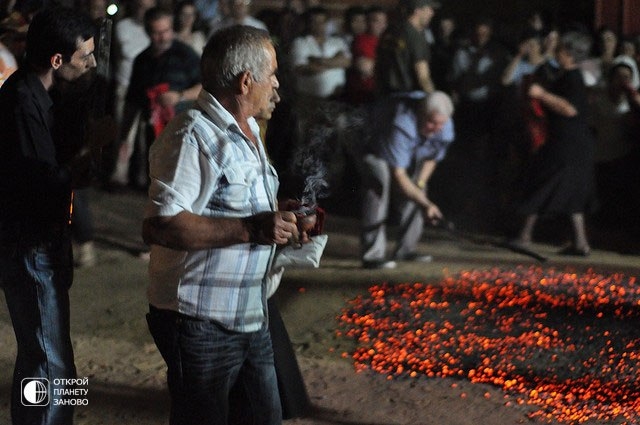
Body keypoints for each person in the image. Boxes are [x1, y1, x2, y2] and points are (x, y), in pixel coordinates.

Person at [142, 25, 297, 425]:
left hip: (249, 312)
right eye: (273, 74)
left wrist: (279, 214)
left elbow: (233, 205)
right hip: (201, 322)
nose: (277, 83)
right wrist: (252, 229)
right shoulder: (193, 134)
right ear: (246, 81)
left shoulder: (247, 133)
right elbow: (161, 226)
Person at [0, 6, 100, 424]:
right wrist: (89, 154)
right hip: (31, 247)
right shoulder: (22, 103)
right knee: (52, 366)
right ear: (57, 61)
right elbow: (42, 184)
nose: (92, 63)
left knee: (39, 356)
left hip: (35, 245)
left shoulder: (38, 96)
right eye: (85, 57)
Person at [512, 31, 596, 256]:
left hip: (567, 145)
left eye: (560, 49)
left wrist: (541, 94)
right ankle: (580, 243)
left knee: (542, 183)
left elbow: (570, 109)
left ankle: (524, 236)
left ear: (568, 54)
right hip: (573, 144)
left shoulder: (573, 79)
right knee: (572, 194)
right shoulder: (566, 76)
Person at [360, 91, 455, 269]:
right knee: (379, 183)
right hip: (373, 144)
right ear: (420, 113)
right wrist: (427, 204)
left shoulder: (445, 123)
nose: (435, 128)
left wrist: (419, 185)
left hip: (410, 151)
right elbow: (399, 176)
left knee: (419, 190)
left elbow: (432, 158)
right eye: (431, 122)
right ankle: (372, 254)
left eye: (440, 124)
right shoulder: (401, 123)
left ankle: (406, 249)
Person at [117, 6, 202, 189]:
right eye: (156, 33)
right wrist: (123, 137)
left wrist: (179, 96)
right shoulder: (142, 60)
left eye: (166, 31)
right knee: (155, 182)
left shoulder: (186, 55)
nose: (162, 37)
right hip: (153, 132)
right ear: (147, 32)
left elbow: (205, 86)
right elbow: (132, 101)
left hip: (184, 130)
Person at [375, 0, 438, 97]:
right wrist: (434, 100)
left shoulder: (389, 31)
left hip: (385, 96)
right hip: (409, 97)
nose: (432, 13)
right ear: (417, 11)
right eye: (429, 9)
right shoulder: (415, 36)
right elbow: (423, 77)